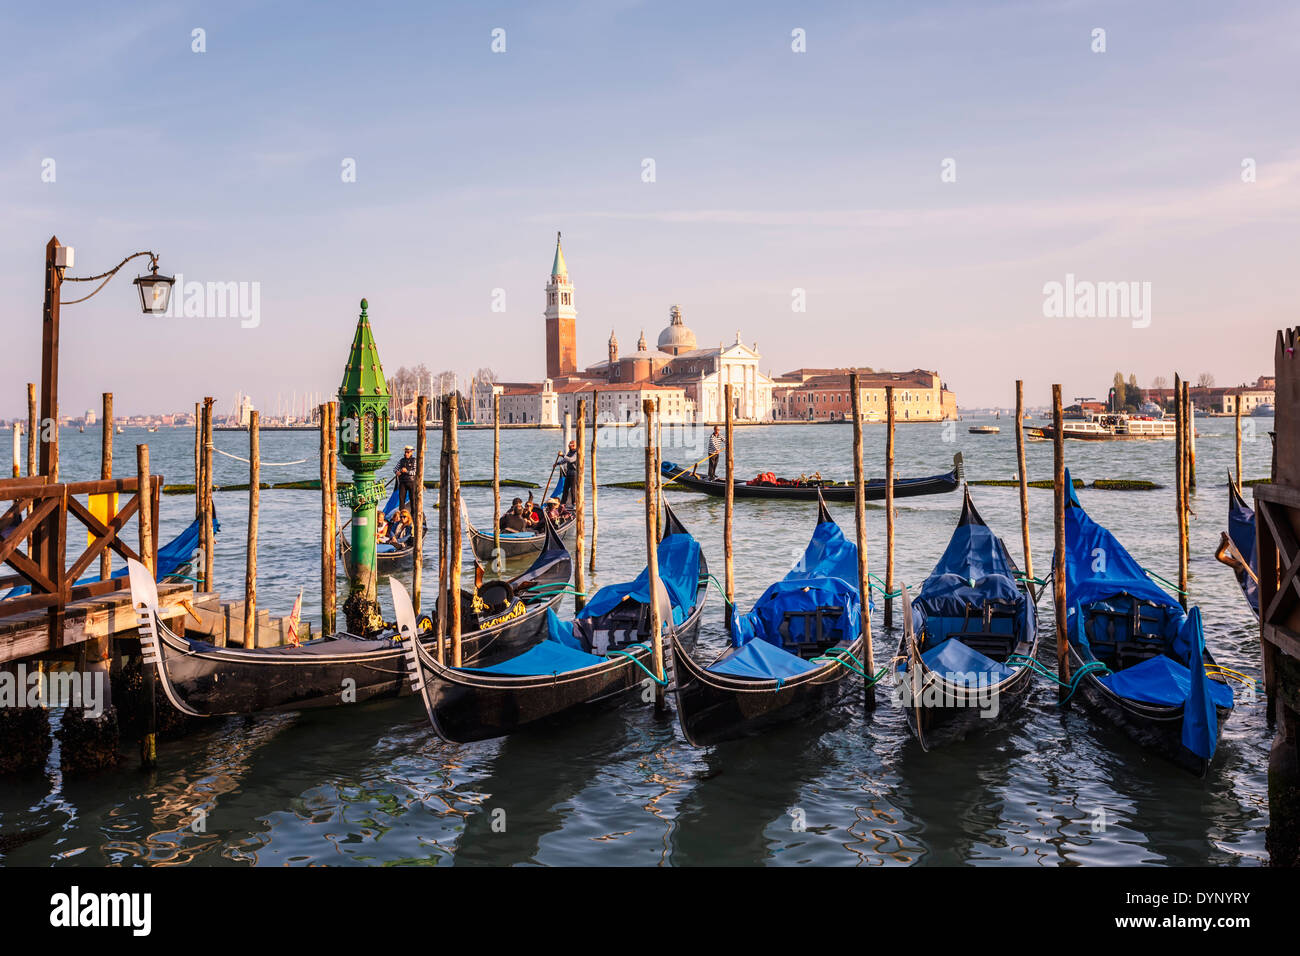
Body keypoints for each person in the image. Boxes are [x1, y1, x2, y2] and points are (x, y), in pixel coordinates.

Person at [394, 445, 418, 515]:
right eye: (405, 452)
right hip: (402, 483)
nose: (406, 454)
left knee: (413, 499)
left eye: (408, 452)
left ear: (411, 452)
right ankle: (402, 514)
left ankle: (413, 515)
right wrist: (397, 472)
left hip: (411, 482)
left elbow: (415, 472)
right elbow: (395, 469)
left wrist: (406, 471)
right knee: (401, 500)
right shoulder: (401, 460)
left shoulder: (414, 460)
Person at [556, 440, 579, 507]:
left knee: (573, 488)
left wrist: (563, 455)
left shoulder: (577, 453)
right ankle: (563, 503)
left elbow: (570, 460)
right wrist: (557, 463)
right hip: (569, 472)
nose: (571, 447)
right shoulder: (570, 452)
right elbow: (565, 460)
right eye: (570, 445)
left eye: (572, 445)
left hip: (574, 473)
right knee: (565, 488)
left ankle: (574, 502)